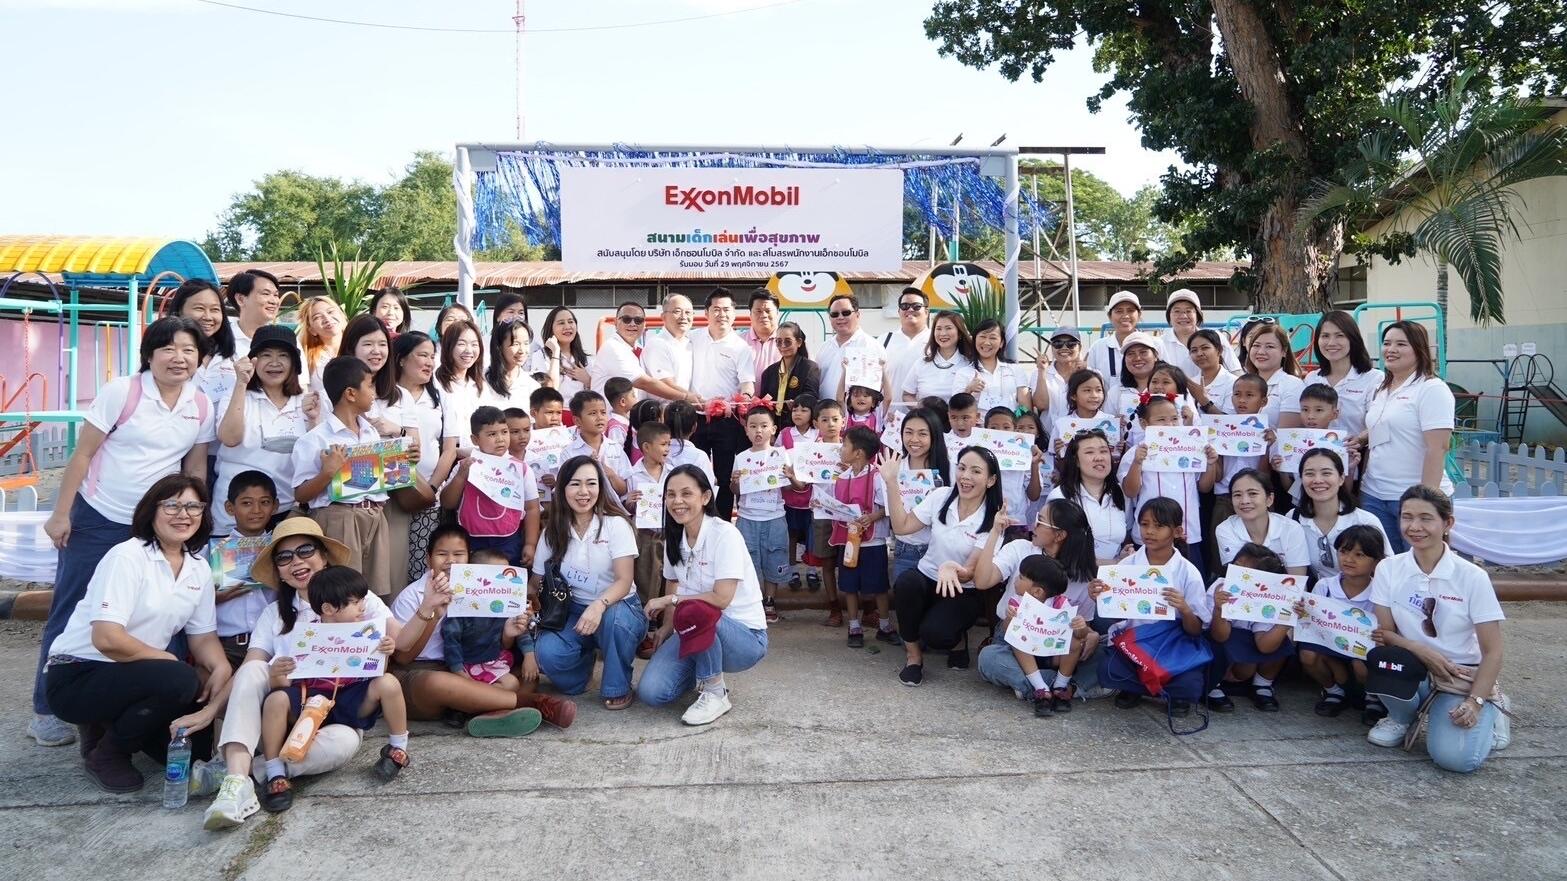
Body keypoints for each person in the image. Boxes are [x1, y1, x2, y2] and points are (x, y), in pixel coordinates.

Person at [30, 317, 216, 748]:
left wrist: (195, 520)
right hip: (99, 516)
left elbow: (194, 468)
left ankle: (131, 706)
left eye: (189, 350)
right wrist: (61, 514)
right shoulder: (123, 392)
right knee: (73, 607)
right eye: (168, 348)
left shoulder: (200, 404)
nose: (178, 357)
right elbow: (82, 454)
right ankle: (46, 709)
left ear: (200, 359)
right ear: (149, 354)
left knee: (164, 612)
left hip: (158, 520)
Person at [43, 475, 228, 793]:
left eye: (193, 506)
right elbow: (107, 638)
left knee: (191, 752)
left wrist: (222, 667)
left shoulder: (197, 568)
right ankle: (107, 754)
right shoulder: (127, 556)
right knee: (179, 678)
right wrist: (167, 659)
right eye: (171, 505)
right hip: (78, 674)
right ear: (151, 511)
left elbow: (203, 637)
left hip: (133, 676)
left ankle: (108, 723)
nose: (183, 514)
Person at [192, 519, 367, 829]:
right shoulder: (273, 615)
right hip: (277, 717)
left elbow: (398, 643)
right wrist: (210, 710)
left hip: (329, 720)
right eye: (284, 558)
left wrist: (427, 608)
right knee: (255, 667)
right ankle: (235, 784)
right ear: (279, 572)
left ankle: (246, 771)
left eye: (305, 550)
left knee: (345, 743)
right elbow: (250, 670)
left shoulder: (357, 601)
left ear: (323, 556)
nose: (296, 562)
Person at [1366, 486, 1510, 772]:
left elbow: (1492, 651)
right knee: (1384, 659)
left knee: (1455, 760)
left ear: (1447, 524)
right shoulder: (1388, 568)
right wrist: (1422, 650)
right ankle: (1401, 716)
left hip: (1460, 672)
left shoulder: (1472, 577)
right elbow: (1387, 635)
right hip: (1414, 666)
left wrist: (1475, 701)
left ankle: (1493, 704)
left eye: (1426, 518)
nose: (1415, 527)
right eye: (1407, 517)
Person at [390, 524, 572, 735]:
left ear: (469, 558)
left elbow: (495, 645)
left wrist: (510, 631)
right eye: (442, 554)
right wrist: (432, 612)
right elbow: (402, 658)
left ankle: (485, 714)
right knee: (438, 682)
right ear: (428, 559)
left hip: (472, 666)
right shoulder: (411, 596)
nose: (450, 561)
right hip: (422, 674)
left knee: (527, 675)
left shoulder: (484, 591)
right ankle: (533, 704)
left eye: (459, 554)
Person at [256, 565, 411, 806]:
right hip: (308, 701)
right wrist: (276, 673)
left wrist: (386, 652)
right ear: (328, 609)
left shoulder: (368, 632)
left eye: (363, 600)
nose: (363, 606)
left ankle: (398, 748)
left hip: (350, 699)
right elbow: (283, 685)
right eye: (355, 602)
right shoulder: (305, 635)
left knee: (389, 683)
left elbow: (376, 672)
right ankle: (274, 771)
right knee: (275, 699)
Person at [638, 465, 770, 724]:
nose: (677, 501)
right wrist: (666, 625)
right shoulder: (675, 536)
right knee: (652, 693)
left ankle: (715, 692)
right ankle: (701, 672)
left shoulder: (725, 534)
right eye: (671, 494)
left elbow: (721, 599)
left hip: (743, 639)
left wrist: (670, 601)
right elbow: (672, 581)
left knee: (695, 609)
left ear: (706, 497)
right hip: (696, 629)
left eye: (687, 493)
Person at [880, 446, 1004, 686]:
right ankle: (913, 657)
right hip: (927, 577)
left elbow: (970, 572)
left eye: (976, 471)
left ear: (991, 480)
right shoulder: (941, 496)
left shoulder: (994, 518)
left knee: (937, 635)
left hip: (962, 589)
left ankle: (957, 638)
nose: (965, 476)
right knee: (906, 583)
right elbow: (902, 526)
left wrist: (951, 568)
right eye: (962, 468)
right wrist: (892, 482)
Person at [531, 456, 646, 709]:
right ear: (562, 489)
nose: (584, 492)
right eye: (575, 484)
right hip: (570, 612)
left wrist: (599, 605)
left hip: (618, 607)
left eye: (591, 484)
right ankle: (582, 673)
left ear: (600, 488)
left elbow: (624, 581)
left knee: (614, 621)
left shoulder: (616, 526)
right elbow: (536, 582)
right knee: (547, 653)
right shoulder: (552, 531)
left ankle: (618, 684)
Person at [973, 498, 1104, 708]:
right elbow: (982, 581)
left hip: (1056, 648)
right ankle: (1061, 688)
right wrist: (995, 533)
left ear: (1059, 535)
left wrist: (1091, 635)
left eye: (1041, 522)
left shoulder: (1082, 576)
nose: (1033, 525)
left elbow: (1083, 628)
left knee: (1106, 649)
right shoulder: (1021, 549)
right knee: (988, 659)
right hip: (1014, 641)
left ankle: (1043, 686)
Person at [1089, 498, 1211, 712]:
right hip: (1135, 641)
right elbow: (1118, 618)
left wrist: (1184, 608)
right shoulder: (1127, 565)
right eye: (1144, 524)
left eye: (1159, 525)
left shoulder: (1187, 571)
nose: (1150, 531)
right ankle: (1140, 688)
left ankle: (1167, 692)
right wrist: (1100, 598)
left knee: (1190, 683)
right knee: (1108, 669)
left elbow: (1196, 630)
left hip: (1171, 644)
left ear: (1177, 531)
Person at [289, 356, 392, 595]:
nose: (374, 392)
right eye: (369, 385)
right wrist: (327, 472)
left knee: (374, 592)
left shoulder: (370, 432)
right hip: (340, 518)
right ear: (350, 393)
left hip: (374, 514)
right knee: (343, 591)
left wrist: (403, 461)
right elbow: (301, 493)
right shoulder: (315, 439)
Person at [1356, 320, 1455, 552]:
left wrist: (1424, 502)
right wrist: (1361, 438)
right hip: (1374, 495)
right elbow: (1384, 426)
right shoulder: (1383, 388)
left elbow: (1438, 448)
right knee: (1386, 567)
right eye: (1387, 343)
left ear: (1419, 349)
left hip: (1412, 499)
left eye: (1401, 344)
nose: (1391, 349)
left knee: (1420, 567)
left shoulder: (1432, 389)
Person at [214, 326, 316, 534]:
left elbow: (315, 459)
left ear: (294, 364)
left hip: (286, 511)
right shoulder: (235, 395)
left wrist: (313, 420)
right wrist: (241, 384)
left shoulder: (306, 402)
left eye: (283, 356)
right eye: (265, 355)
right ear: (253, 361)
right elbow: (229, 438)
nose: (275, 362)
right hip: (235, 514)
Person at [975, 553, 1098, 717]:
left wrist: (1080, 627)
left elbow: (1079, 636)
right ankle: (1043, 688)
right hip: (1024, 659)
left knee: (1077, 643)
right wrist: (1010, 619)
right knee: (991, 655)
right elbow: (1007, 631)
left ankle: (1059, 686)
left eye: (1021, 577)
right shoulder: (1017, 601)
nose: (1016, 581)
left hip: (1053, 655)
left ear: (1037, 591)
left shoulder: (1061, 604)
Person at [1119, 395, 1219, 579]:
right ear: (1144, 423)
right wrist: (1137, 463)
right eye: (1161, 420)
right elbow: (1130, 491)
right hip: (1149, 536)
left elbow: (1204, 488)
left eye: (1174, 418)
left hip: (1187, 533)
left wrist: (1211, 463)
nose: (1170, 425)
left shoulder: (1192, 448)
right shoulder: (1136, 452)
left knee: (1188, 584)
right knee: (1148, 584)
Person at [386, 330, 458, 586]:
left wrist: (432, 488)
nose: (429, 362)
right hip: (390, 496)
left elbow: (449, 449)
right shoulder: (384, 396)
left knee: (420, 568)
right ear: (402, 359)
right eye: (422, 355)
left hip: (427, 496)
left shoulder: (440, 399)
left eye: (432, 356)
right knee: (392, 569)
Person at [1298, 524, 1387, 723]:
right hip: (1330, 645)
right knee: (1307, 655)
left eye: (1360, 554)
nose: (1349, 559)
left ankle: (1372, 698)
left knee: (1360, 666)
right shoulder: (1325, 586)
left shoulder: (1380, 592)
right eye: (1344, 552)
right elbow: (1310, 624)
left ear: (1376, 562)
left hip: (1363, 651)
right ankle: (1333, 691)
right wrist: (1303, 612)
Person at [819, 426, 898, 648]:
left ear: (858, 453)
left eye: (845, 445)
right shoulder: (841, 477)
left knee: (879, 586)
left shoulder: (878, 476)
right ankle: (854, 626)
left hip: (873, 542)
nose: (841, 449)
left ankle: (884, 625)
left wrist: (872, 516)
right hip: (849, 541)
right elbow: (835, 506)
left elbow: (889, 505)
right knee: (850, 585)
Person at [435, 549, 536, 713]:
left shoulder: (505, 602)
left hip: (491, 661)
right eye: (497, 575)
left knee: (517, 683)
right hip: (466, 665)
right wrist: (458, 672)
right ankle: (484, 707)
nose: (503, 582)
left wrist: (529, 655)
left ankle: (479, 708)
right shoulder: (461, 609)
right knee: (509, 685)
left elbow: (520, 627)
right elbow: (451, 642)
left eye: (506, 575)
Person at [690, 288, 757, 518]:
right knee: (694, 472)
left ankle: (722, 524)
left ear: (734, 313)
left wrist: (744, 400)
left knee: (726, 475)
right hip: (695, 418)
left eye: (726, 309)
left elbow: (748, 384)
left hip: (726, 420)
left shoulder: (741, 347)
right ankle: (695, 520)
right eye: (716, 309)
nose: (721, 314)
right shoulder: (691, 338)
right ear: (706, 312)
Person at [1207, 544, 1296, 712]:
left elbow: (1265, 645)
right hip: (1223, 642)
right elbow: (1219, 636)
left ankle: (1262, 685)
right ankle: (1213, 684)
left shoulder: (1269, 598)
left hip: (1247, 650)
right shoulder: (1221, 588)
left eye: (1244, 573)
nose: (1236, 573)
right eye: (1236, 566)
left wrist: (1287, 620)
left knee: (1281, 641)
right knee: (1214, 643)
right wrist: (1220, 610)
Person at [208, 470, 278, 667]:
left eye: (264, 502)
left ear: (275, 506)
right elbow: (190, 603)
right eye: (246, 503)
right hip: (225, 647)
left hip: (272, 645)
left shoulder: (282, 549)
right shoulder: (210, 553)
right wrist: (214, 598)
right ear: (230, 508)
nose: (256, 510)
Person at [441, 406, 527, 563]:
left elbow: (532, 507)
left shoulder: (520, 468)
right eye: (492, 434)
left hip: (509, 539)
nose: (500, 439)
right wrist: (461, 476)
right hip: (472, 538)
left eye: (504, 431)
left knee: (506, 580)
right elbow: (447, 502)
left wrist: (531, 544)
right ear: (475, 439)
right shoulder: (465, 465)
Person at [731, 406, 791, 625]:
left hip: (774, 516)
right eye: (753, 426)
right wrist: (735, 482)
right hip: (747, 517)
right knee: (749, 560)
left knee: (774, 557)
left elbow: (795, 487)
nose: (758, 431)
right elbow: (735, 491)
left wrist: (790, 476)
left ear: (773, 429)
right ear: (746, 430)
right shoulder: (741, 458)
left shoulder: (781, 455)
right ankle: (753, 602)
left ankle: (769, 601)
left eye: (764, 426)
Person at [1291, 446, 1388, 580]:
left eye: (1326, 473)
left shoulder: (1365, 521)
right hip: (1315, 596)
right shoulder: (1293, 518)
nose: (1318, 480)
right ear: (1301, 479)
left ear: (1341, 478)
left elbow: (1387, 571)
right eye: (1309, 473)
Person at [1047, 429, 1128, 564]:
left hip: (1111, 579)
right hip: (1073, 580)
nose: (1099, 457)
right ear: (1076, 461)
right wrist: (1115, 562)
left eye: (1103, 451)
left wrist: (1125, 554)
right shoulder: (1060, 497)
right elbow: (1055, 551)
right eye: (1090, 452)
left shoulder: (1119, 492)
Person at [888, 408, 951, 583]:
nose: (914, 440)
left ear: (934, 436)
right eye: (908, 432)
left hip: (941, 553)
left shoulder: (951, 468)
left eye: (922, 434)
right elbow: (892, 516)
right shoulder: (894, 469)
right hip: (905, 551)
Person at [1214, 468, 1310, 576]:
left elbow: (1297, 580)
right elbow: (1239, 578)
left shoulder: (1291, 528)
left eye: (1253, 493)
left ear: (1269, 499)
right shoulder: (1225, 529)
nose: (1245, 501)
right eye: (1237, 495)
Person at [1304, 310, 1383, 438]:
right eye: (1325, 336)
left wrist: (1360, 440)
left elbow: (1379, 424)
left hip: (1357, 455)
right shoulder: (1311, 378)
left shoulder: (1374, 378)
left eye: (1339, 335)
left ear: (1353, 339)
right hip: (1316, 455)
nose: (1331, 343)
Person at [169, 278, 241, 406]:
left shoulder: (234, 356)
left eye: (215, 309)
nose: (208, 317)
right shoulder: (164, 353)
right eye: (199, 308)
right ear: (180, 310)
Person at [807, 399, 848, 624]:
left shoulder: (851, 449)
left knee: (852, 560)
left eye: (835, 419)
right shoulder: (810, 452)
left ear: (844, 420)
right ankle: (834, 608)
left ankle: (866, 606)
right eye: (824, 420)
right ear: (816, 423)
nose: (831, 424)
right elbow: (801, 485)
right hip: (822, 512)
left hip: (847, 513)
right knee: (827, 563)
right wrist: (794, 476)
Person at [591, 300, 676, 400]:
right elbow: (644, 383)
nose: (632, 324)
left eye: (638, 320)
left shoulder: (640, 349)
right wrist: (685, 396)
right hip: (609, 415)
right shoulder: (613, 348)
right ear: (615, 322)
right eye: (626, 319)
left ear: (644, 324)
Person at [778, 395, 821, 591]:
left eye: (804, 410)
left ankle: (813, 570)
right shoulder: (785, 433)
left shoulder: (818, 435)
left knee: (812, 535)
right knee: (791, 534)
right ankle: (793, 570)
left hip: (813, 497)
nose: (798, 413)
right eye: (795, 409)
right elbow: (776, 458)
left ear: (813, 414)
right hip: (790, 495)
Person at [816, 293, 889, 405]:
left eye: (846, 313)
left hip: (857, 417)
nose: (840, 317)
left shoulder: (870, 346)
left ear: (858, 314)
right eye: (835, 314)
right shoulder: (824, 347)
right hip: (826, 416)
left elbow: (877, 388)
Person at [337, 314, 400, 434]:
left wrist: (397, 430)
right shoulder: (333, 394)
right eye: (368, 344)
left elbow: (415, 448)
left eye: (382, 344)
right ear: (351, 348)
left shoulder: (401, 395)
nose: (376, 351)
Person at [564, 389, 632, 497]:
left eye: (603, 412)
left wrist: (610, 475)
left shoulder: (615, 448)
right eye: (593, 413)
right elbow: (567, 489)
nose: (600, 417)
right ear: (577, 421)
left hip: (613, 511)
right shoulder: (569, 453)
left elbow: (625, 490)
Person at [1159, 289, 1240, 378]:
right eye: (1177, 311)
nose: (1183, 316)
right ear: (1169, 315)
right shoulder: (1159, 344)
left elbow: (1235, 371)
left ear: (1198, 314)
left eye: (1189, 311)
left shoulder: (1216, 338)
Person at [639, 295, 704, 404]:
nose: (683, 317)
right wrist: (700, 401)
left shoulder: (690, 343)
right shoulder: (657, 344)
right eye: (677, 311)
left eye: (688, 312)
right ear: (663, 316)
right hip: (662, 414)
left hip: (684, 411)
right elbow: (666, 383)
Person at [902, 310, 977, 403]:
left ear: (960, 333)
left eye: (948, 328)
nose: (943, 333)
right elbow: (907, 395)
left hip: (957, 417)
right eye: (938, 328)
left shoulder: (969, 364)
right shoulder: (921, 363)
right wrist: (922, 411)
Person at [435, 319, 486, 451]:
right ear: (448, 347)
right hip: (445, 457)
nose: (469, 350)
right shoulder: (436, 384)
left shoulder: (479, 385)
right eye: (461, 344)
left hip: (476, 458)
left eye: (475, 345)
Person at [1243, 323, 1305, 430]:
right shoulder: (1243, 382)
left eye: (1270, 346)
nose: (1261, 352)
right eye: (1256, 345)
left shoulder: (1293, 386)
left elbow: (1287, 436)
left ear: (1284, 351)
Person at [967, 318, 1033, 412]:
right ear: (974, 340)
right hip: (978, 426)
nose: (986, 342)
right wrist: (968, 390)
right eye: (982, 337)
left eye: (993, 338)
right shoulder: (964, 372)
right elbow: (957, 409)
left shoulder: (1016, 369)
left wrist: (1013, 423)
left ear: (1001, 343)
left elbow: (1025, 406)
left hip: (1011, 425)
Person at [482, 317, 546, 412]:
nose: (522, 350)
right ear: (499, 346)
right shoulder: (481, 380)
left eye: (526, 343)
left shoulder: (532, 386)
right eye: (515, 344)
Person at [758, 321, 821, 416]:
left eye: (788, 341)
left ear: (799, 342)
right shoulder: (769, 372)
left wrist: (798, 403)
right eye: (779, 342)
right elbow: (763, 402)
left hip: (798, 424)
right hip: (773, 424)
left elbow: (811, 397)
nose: (783, 346)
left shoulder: (810, 368)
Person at [883, 287, 933, 402]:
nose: (910, 309)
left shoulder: (936, 340)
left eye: (916, 306)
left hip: (926, 415)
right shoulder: (885, 340)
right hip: (890, 415)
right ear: (898, 311)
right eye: (904, 306)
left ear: (926, 312)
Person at [295, 296, 347, 401]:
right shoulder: (304, 357)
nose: (327, 318)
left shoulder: (359, 348)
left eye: (330, 312)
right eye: (317, 317)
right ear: (311, 329)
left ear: (341, 315)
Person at [1085, 290, 1142, 383]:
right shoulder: (1098, 348)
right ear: (1110, 316)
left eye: (1130, 310)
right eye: (1119, 311)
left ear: (1139, 314)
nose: (1125, 316)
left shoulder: (1154, 345)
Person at [1033, 326, 1086, 417]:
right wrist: (1042, 371)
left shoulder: (1091, 374)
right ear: (1052, 347)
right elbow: (1041, 405)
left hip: (1081, 430)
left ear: (1080, 348)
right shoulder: (1039, 373)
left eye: (1071, 343)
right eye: (1058, 343)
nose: (1064, 347)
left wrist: (1083, 376)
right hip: (1049, 430)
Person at [226, 269, 281, 354]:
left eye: (276, 295)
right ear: (241, 299)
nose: (273, 301)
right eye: (265, 294)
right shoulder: (220, 341)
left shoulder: (284, 339)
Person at [1186, 329, 1238, 418]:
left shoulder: (1233, 383)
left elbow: (1230, 423)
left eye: (1205, 348)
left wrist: (1203, 400)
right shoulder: (1190, 383)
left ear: (1219, 350)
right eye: (1194, 350)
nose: (1199, 354)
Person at [745, 289, 784, 387]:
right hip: (744, 402)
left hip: (782, 401)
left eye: (768, 311)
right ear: (750, 314)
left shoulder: (791, 342)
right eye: (758, 311)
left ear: (777, 312)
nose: (763, 315)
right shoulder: (738, 342)